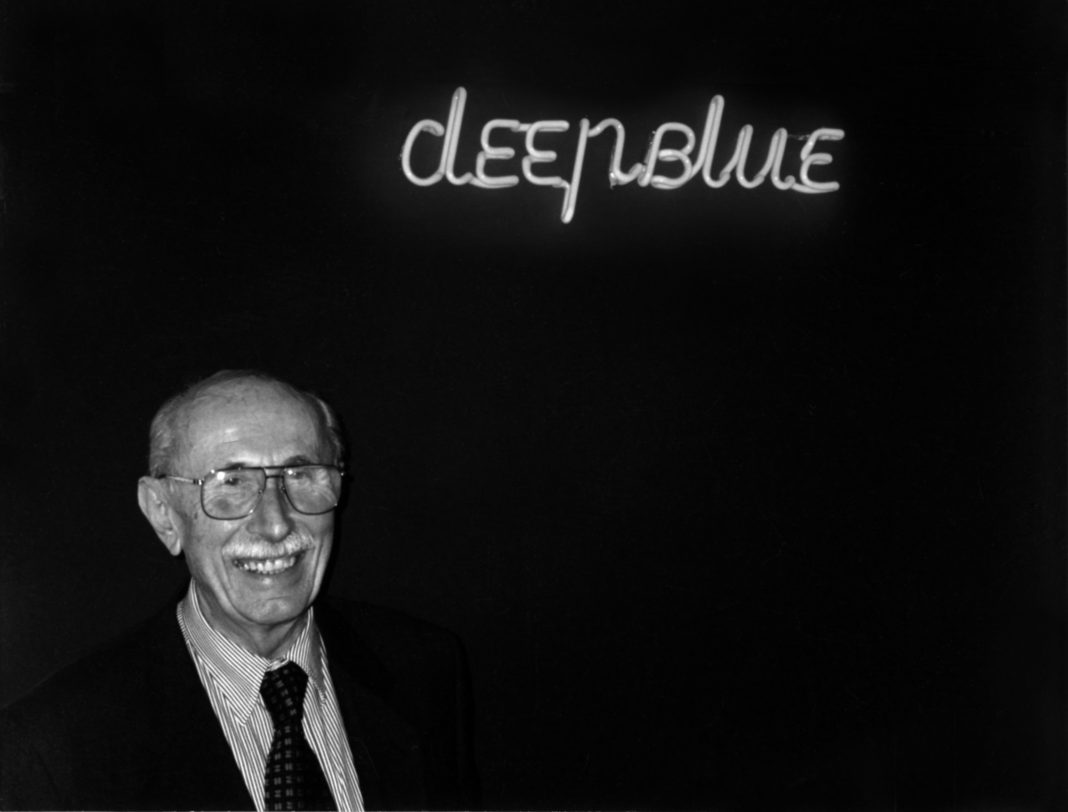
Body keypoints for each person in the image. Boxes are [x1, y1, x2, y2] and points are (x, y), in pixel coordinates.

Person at [0, 370, 479, 811]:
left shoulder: (424, 670)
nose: (275, 523)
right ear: (164, 514)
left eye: (301, 475)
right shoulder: (54, 749)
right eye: (231, 482)